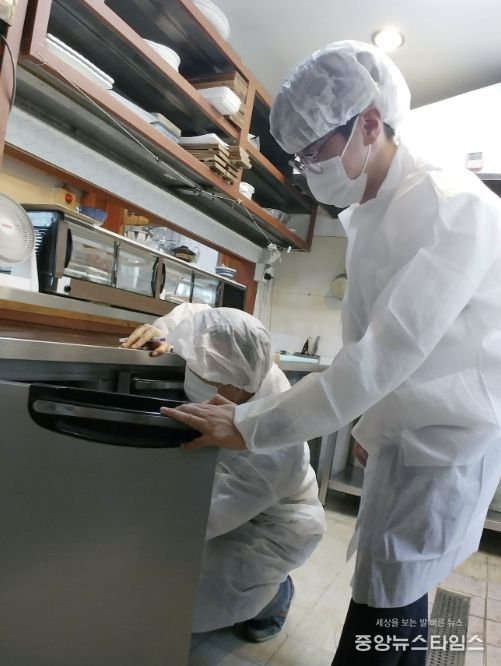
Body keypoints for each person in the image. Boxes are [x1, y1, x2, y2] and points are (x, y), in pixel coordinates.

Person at [161, 40, 501, 665]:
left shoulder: (450, 205)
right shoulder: (371, 213)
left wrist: (249, 425)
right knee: (395, 597)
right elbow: (372, 343)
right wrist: (371, 423)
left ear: (369, 123)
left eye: (314, 151)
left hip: (442, 446)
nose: (306, 170)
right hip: (407, 435)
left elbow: (386, 353)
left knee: (387, 598)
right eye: (298, 158)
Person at [122, 305, 326, 641]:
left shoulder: (274, 449)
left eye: (209, 381)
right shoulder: (247, 357)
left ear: (239, 385)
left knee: (191, 604)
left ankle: (275, 597)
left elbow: (205, 519)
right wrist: (162, 331)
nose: (195, 379)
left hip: (276, 525)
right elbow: (202, 316)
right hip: (233, 496)